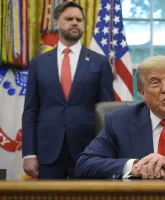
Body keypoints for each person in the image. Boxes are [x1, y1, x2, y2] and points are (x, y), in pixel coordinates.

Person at [22, 1, 115, 179]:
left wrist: (106, 152)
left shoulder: (99, 62)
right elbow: (30, 111)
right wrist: (29, 153)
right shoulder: (39, 63)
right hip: (47, 152)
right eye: (69, 18)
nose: (75, 22)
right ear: (56, 23)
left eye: (79, 20)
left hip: (88, 151)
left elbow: (106, 113)